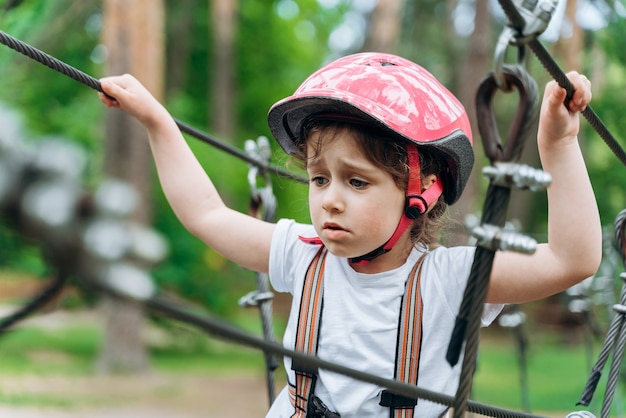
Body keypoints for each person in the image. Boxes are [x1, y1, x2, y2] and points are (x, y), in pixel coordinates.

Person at [98, 52, 601, 417]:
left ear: (422, 191)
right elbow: (206, 214)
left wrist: (556, 144)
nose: (329, 199)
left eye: (357, 181)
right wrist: (157, 122)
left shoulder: (449, 279)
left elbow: (570, 260)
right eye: (319, 178)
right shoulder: (303, 255)